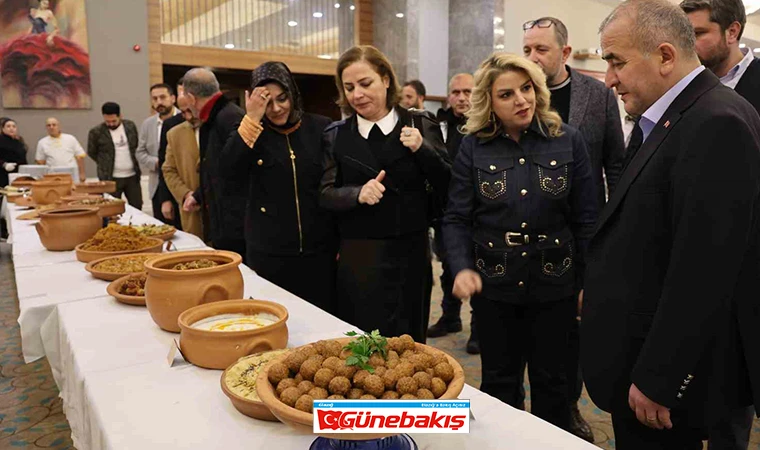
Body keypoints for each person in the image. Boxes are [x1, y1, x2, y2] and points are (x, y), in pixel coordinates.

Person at [582, 1, 760, 449]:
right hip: (638, 353)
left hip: (662, 381)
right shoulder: (673, 116)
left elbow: (704, 270)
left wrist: (661, 377)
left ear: (664, 56)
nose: (609, 79)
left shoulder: (715, 121)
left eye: (617, 62)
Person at [443, 53, 598, 431]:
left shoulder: (568, 140)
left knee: (554, 384)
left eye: (526, 88)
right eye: (507, 94)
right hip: (495, 288)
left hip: (555, 285)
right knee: (499, 384)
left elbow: (588, 220)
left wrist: (589, 282)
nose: (522, 100)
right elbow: (456, 217)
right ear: (490, 102)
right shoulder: (474, 146)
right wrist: (461, 266)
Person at [522, 15, 627, 442]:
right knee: (525, 331)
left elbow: (615, 164)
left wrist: (616, 226)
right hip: (526, 236)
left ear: (565, 53)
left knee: (572, 331)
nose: (531, 57)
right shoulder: (515, 94)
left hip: (581, 234)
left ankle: (567, 406)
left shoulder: (597, 96)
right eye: (526, 48)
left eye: (541, 49)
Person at [320, 45, 450, 343]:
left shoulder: (420, 123)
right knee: (363, 345)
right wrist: (356, 194)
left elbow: (449, 183)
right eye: (349, 87)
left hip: (412, 253)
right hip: (360, 256)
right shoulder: (336, 134)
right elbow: (324, 194)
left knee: (409, 344)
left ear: (386, 80)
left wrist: (423, 149)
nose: (357, 95)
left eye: (365, 84)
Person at [682, 2, 759, 449]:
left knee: (732, 406)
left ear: (733, 31)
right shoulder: (686, 88)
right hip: (692, 267)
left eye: (699, 33)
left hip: (747, 271)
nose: (691, 45)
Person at [220, 61, 338, 312]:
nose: (275, 109)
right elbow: (227, 173)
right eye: (266, 102)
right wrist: (252, 116)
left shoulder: (320, 126)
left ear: (293, 94)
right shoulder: (250, 132)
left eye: (282, 98)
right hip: (269, 253)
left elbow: (334, 184)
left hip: (319, 252)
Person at [427, 72, 481, 355]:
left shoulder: (484, 127)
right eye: (456, 92)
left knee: (475, 269)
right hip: (447, 210)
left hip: (479, 213)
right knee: (449, 269)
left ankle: (478, 330)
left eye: (468, 92)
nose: (461, 98)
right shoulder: (439, 124)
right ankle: (450, 318)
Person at [182, 68, 247, 258]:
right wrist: (199, 195)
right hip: (224, 220)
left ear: (192, 98)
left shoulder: (229, 117)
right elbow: (215, 169)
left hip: (236, 226)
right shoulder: (214, 118)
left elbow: (236, 170)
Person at [136, 83, 180, 221]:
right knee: (161, 229)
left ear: (173, 98)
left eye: (162, 97)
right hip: (157, 186)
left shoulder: (185, 118)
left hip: (180, 184)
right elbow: (140, 152)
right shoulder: (147, 124)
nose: (158, 102)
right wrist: (157, 163)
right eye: (154, 99)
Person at [86, 102, 142, 209]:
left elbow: (135, 145)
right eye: (107, 121)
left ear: (120, 116)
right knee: (111, 209)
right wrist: (104, 163)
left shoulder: (130, 126)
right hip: (110, 178)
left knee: (137, 206)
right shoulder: (96, 132)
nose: (111, 124)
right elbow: (91, 151)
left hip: (132, 176)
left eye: (114, 121)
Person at [163, 95, 203, 239]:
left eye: (190, 111)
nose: (187, 117)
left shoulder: (218, 127)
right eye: (183, 112)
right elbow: (168, 170)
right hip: (191, 209)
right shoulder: (174, 134)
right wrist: (186, 194)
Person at [158, 78, 188, 230]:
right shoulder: (170, 124)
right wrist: (165, 199)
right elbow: (165, 164)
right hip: (178, 192)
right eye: (181, 92)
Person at [35, 118, 86, 182]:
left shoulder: (70, 138)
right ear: (46, 128)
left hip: (71, 175)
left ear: (59, 126)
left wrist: (82, 174)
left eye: (54, 125)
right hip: (52, 177)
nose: (51, 127)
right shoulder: (42, 142)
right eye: (49, 125)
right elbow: (40, 163)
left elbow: (80, 157)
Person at [0, 118, 28, 188]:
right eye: (8, 126)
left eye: (13, 126)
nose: (11, 128)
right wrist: (4, 164)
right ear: (3, 129)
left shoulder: (19, 142)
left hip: (18, 175)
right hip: (3, 175)